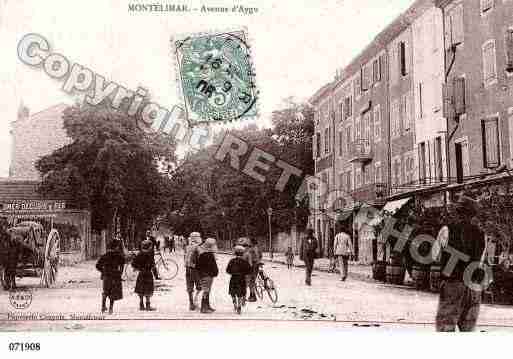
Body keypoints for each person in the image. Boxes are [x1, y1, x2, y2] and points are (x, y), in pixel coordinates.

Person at [433, 195, 486, 332]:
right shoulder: (481, 233)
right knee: (468, 329)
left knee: (446, 327)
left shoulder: (446, 230)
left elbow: (435, 256)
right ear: (473, 214)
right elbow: (481, 261)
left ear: (457, 212)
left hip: (453, 283)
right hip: (474, 285)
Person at [96, 241, 125, 314]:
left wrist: (103, 271)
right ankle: (110, 309)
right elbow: (123, 263)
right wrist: (120, 272)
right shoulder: (118, 255)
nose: (118, 248)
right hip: (115, 276)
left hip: (106, 276)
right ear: (115, 247)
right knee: (113, 292)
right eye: (117, 247)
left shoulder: (105, 255)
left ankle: (103, 307)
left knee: (105, 291)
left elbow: (97, 266)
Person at [226, 245, 252, 314]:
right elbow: (249, 271)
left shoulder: (232, 261)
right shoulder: (244, 262)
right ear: (243, 253)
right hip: (242, 278)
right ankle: (239, 305)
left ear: (235, 253)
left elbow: (228, 270)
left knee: (233, 292)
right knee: (240, 293)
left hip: (234, 278)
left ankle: (235, 304)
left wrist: (233, 272)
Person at [132, 239, 157, 311]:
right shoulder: (149, 255)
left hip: (141, 273)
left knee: (140, 289)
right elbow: (153, 266)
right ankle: (148, 305)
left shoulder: (139, 254)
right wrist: (155, 275)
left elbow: (133, 264)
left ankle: (141, 304)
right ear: (148, 247)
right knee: (148, 289)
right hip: (148, 273)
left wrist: (138, 268)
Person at [196, 237, 219, 313]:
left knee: (207, 290)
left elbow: (198, 266)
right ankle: (204, 307)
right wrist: (215, 272)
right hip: (208, 275)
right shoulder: (209, 255)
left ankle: (207, 306)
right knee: (206, 291)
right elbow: (214, 266)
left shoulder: (202, 255)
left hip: (204, 275)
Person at [184, 232, 202, 311]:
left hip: (187, 268)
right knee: (199, 286)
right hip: (195, 269)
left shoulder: (187, 247)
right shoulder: (197, 247)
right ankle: (196, 300)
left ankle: (191, 304)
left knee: (190, 287)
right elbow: (201, 258)